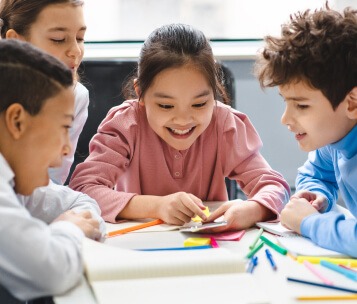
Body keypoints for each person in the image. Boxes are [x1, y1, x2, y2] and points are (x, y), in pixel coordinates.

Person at [69, 23, 290, 230]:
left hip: (209, 249)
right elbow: (83, 189)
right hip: (137, 247)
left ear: (214, 91)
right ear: (140, 93)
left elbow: (275, 187)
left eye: (199, 104)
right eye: (166, 105)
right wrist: (157, 206)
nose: (183, 120)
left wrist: (253, 208)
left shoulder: (224, 124)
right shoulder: (127, 125)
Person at [0, 39, 104, 301]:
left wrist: (71, 224)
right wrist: (69, 229)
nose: (66, 150)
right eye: (63, 128)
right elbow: (52, 271)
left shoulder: (14, 182)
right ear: (17, 121)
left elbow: (81, 203)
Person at [254, 4, 357, 257]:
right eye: (285, 101)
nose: (285, 119)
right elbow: (317, 175)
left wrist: (309, 223)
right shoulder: (334, 140)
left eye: (301, 105)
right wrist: (317, 195)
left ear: (352, 103)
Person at [0, 0, 88, 185]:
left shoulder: (75, 96)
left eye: (80, 38)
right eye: (58, 39)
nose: (75, 51)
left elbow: (51, 182)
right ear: (16, 41)